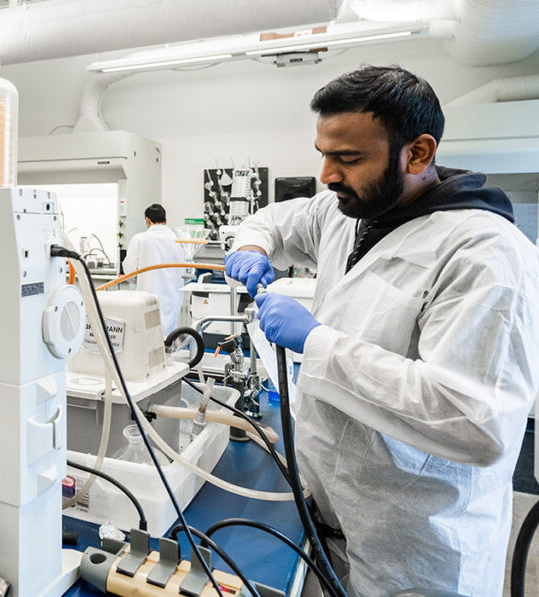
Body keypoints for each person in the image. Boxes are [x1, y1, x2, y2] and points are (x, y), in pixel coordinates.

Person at [225, 66, 539, 596]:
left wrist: (316, 343)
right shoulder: (345, 210)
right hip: (331, 519)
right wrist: (251, 245)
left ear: (417, 153)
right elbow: (275, 221)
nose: (326, 173)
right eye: (323, 153)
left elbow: (477, 422)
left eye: (348, 158)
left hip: (418, 551)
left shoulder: (486, 254)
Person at [122, 203, 188, 333]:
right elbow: (187, 275)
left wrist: (143, 279)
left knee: (149, 338)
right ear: (166, 220)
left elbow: (130, 273)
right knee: (168, 337)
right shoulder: (179, 240)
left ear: (148, 220)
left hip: (147, 297)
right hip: (173, 298)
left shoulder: (140, 239)